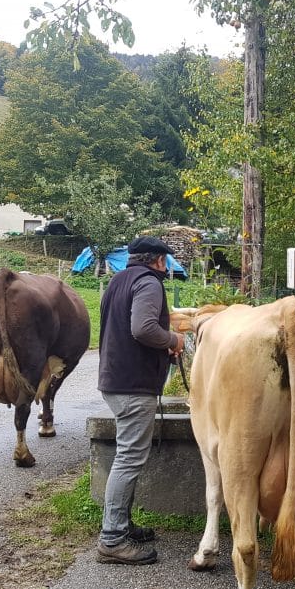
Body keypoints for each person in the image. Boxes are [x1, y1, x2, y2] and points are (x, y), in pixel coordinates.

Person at [96, 236, 184, 565]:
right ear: (159, 261)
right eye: (167, 262)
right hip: (134, 385)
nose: (167, 267)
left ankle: (121, 525)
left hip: (115, 380)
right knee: (129, 459)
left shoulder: (118, 280)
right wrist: (174, 339)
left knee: (126, 456)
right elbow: (144, 328)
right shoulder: (150, 283)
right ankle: (112, 540)